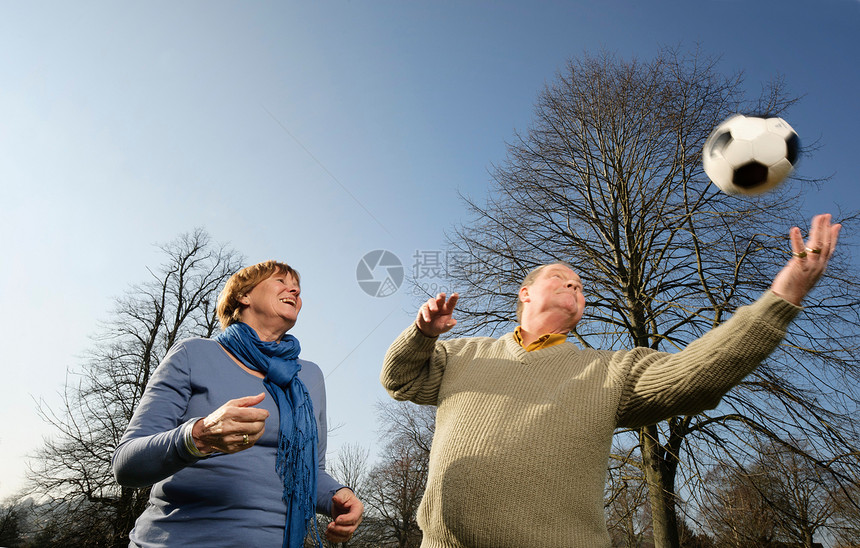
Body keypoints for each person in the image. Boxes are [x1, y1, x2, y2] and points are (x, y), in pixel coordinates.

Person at [381, 214, 840, 547]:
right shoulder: (462, 353)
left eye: (582, 286)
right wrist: (421, 333)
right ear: (525, 293)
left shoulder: (609, 370)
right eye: (562, 278)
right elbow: (398, 380)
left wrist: (783, 297)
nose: (575, 286)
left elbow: (694, 374)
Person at [114, 260, 363, 547]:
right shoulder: (193, 354)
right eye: (281, 282)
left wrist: (339, 496)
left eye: (297, 287)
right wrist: (199, 435)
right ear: (243, 296)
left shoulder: (309, 376)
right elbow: (126, 465)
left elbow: (311, 472)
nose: (293, 290)